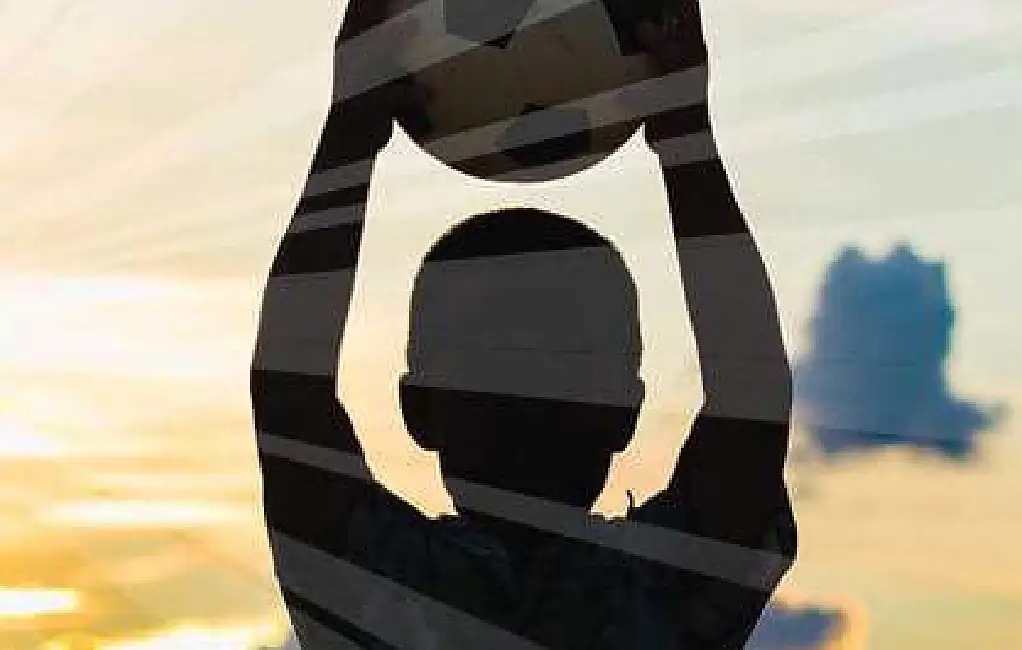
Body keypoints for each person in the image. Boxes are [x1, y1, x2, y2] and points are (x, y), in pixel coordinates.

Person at [250, 0, 796, 647]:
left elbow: (290, 391)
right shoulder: (667, 588)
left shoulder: (378, 585)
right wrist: (685, 146)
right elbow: (750, 397)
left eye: (563, 363)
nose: (530, 396)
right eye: (498, 360)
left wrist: (349, 140)